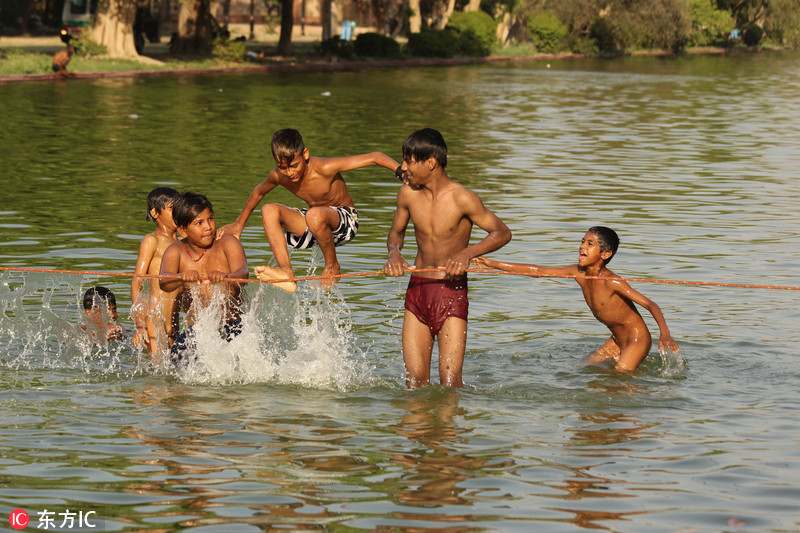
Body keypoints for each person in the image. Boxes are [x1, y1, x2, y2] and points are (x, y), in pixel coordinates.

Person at [383, 128, 511, 389]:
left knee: (450, 384)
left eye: (409, 160)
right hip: (417, 290)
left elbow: (502, 232)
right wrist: (394, 254)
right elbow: (396, 234)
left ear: (430, 162)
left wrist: (468, 252)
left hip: (451, 294)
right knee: (414, 383)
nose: (404, 167)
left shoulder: (462, 198)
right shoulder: (407, 195)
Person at [472, 226, 679, 372]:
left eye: (590, 244)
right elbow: (539, 271)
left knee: (621, 376)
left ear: (605, 254)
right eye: (582, 242)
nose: (582, 247)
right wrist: (493, 264)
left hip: (637, 339)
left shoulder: (612, 282)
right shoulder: (578, 273)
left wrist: (665, 333)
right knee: (584, 369)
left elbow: (651, 304)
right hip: (616, 340)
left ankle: (653, 400)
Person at [218, 128, 400, 291]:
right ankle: (286, 271)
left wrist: (400, 170)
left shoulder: (324, 168)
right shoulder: (278, 176)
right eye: (283, 168)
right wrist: (239, 224)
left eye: (294, 165)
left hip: (345, 223)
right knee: (269, 209)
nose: (290, 173)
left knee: (314, 215)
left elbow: (375, 157)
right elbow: (258, 192)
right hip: (316, 226)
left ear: (305, 154)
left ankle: (332, 265)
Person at [159, 191, 249, 364]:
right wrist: (181, 277)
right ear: (183, 230)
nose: (208, 227)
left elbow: (243, 273)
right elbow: (164, 281)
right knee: (177, 359)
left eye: (211, 219)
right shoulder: (175, 250)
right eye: (199, 223)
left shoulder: (227, 242)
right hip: (198, 329)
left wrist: (227, 277)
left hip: (234, 324)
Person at [131, 187, 182, 360]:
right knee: (156, 372)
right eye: (171, 208)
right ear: (155, 213)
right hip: (154, 318)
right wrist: (139, 324)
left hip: (174, 321)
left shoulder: (184, 243)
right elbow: (137, 282)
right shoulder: (152, 241)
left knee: (175, 375)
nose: (177, 213)